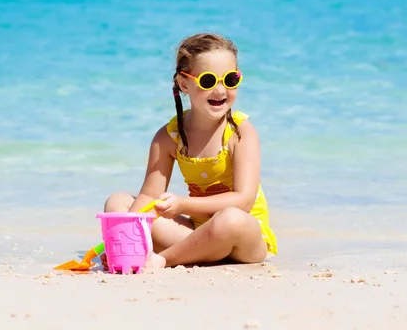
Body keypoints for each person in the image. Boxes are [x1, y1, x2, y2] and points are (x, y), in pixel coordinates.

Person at [102, 33, 277, 269]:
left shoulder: (240, 132)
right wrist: (121, 240)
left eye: (230, 79)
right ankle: (163, 251)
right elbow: (148, 198)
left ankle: (165, 259)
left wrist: (183, 205)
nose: (220, 90)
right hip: (196, 235)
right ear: (184, 84)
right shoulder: (169, 137)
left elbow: (243, 201)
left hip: (242, 240)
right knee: (118, 203)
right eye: (207, 81)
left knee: (230, 218)